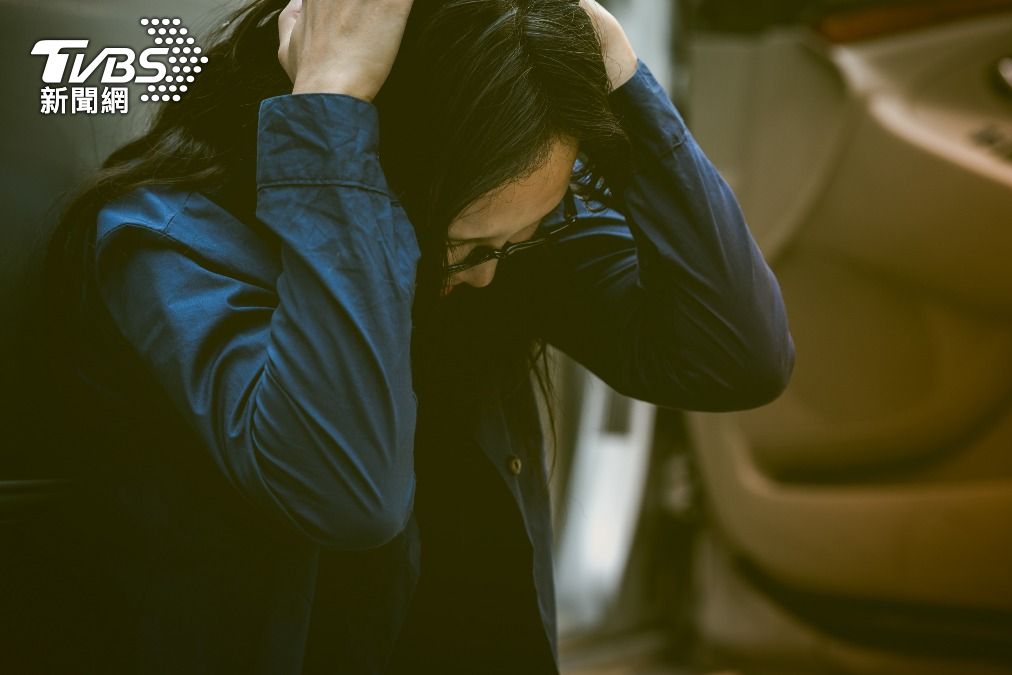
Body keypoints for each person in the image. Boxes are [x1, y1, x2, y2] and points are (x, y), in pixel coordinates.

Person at [36, 0, 795, 672]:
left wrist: (622, 77)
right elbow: (350, 495)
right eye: (469, 248)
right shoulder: (165, 241)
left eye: (512, 243)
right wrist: (331, 113)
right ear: (387, 163)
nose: (489, 275)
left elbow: (736, 354)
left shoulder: (493, 235)